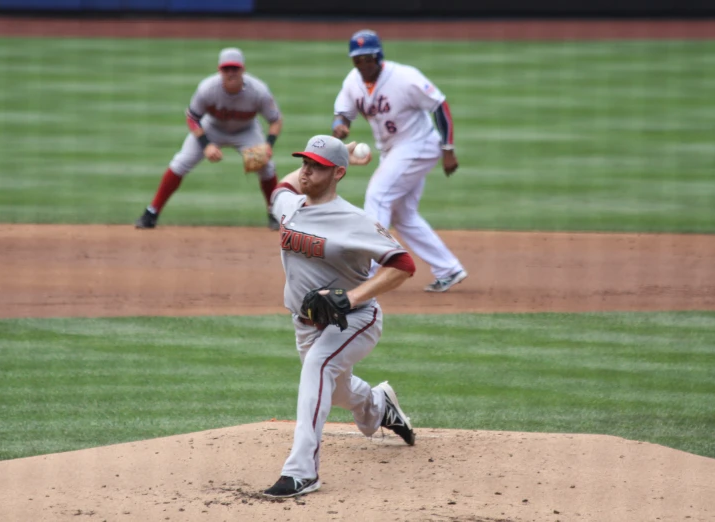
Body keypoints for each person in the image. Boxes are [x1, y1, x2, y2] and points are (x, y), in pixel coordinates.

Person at [263, 135, 416, 499]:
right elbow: (279, 188)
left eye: (316, 166)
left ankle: (302, 472)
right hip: (305, 323)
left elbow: (404, 264)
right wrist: (337, 153)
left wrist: (352, 298)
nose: (306, 171)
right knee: (339, 390)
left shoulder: (355, 220)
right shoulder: (291, 205)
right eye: (304, 163)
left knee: (317, 368)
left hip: (355, 321)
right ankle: (380, 406)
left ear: (338, 174)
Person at [332, 29, 467, 292]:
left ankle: (367, 270)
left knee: (378, 196)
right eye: (357, 60)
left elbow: (440, 105)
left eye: (367, 59)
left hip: (419, 145)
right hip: (393, 151)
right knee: (403, 215)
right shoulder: (353, 81)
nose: (362, 65)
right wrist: (340, 125)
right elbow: (342, 112)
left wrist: (448, 148)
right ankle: (449, 269)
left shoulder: (404, 77)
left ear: (378, 56)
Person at [135, 47, 284, 230]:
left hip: (246, 131)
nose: (231, 73)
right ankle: (151, 212)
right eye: (226, 69)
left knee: (266, 166)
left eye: (235, 69)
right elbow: (192, 117)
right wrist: (206, 145)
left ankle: (274, 213)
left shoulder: (258, 90)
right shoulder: (208, 88)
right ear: (219, 70)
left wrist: (268, 145)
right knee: (181, 162)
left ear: (243, 69)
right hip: (212, 128)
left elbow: (276, 120)